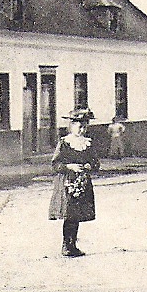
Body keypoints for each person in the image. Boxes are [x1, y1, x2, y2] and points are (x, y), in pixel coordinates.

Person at [48, 108, 100, 257]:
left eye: (85, 127)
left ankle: (72, 245)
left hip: (82, 183)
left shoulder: (87, 143)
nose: (82, 130)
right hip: (67, 183)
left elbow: (96, 163)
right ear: (72, 126)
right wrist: (69, 166)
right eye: (79, 127)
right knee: (69, 215)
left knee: (76, 215)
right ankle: (66, 245)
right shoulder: (64, 143)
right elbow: (55, 164)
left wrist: (89, 165)